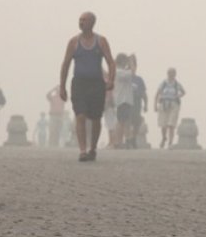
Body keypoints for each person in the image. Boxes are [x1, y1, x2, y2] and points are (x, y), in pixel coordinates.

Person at [59, 12, 115, 161]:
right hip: (79, 84)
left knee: (96, 118)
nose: (81, 22)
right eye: (80, 20)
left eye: (84, 20)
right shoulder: (73, 42)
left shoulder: (101, 41)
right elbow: (65, 64)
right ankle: (83, 150)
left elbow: (111, 61)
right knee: (80, 115)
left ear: (92, 23)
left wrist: (111, 80)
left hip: (96, 84)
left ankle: (93, 148)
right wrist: (62, 87)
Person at [154, 67, 185, 148]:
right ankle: (164, 138)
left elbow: (183, 92)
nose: (171, 75)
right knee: (163, 125)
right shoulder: (163, 83)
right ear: (167, 74)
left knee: (171, 125)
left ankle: (170, 143)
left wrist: (178, 95)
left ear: (175, 74)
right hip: (163, 104)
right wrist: (155, 105)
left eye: (173, 73)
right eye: (170, 73)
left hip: (174, 105)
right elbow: (157, 94)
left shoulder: (177, 84)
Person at [112, 53, 134, 148]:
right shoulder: (119, 71)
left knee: (124, 121)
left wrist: (129, 62)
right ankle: (119, 141)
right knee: (122, 121)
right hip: (123, 99)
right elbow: (132, 72)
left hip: (124, 99)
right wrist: (131, 62)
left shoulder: (120, 71)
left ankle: (121, 141)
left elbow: (130, 72)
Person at [128, 54, 148, 149]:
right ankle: (128, 139)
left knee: (136, 122)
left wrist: (146, 104)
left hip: (137, 103)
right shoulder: (124, 78)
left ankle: (133, 138)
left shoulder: (139, 80)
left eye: (133, 66)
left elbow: (144, 93)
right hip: (127, 103)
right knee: (128, 122)